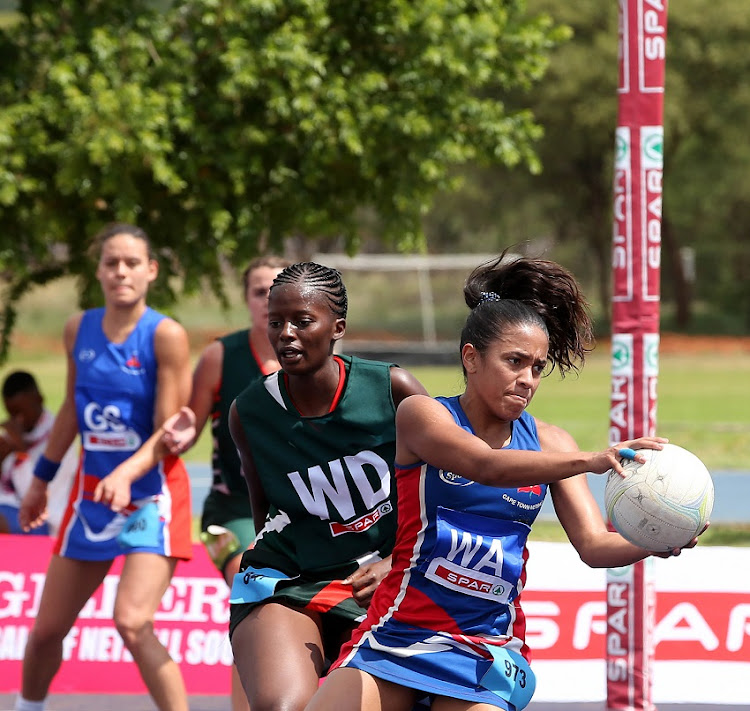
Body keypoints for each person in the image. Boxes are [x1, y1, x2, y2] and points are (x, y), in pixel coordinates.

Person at [304, 252, 705, 711]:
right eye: (514, 361)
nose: (528, 379)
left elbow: (595, 545)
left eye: (537, 367)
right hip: (399, 632)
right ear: (471, 358)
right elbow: (487, 466)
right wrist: (592, 459)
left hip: (485, 649)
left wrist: (657, 538)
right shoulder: (423, 415)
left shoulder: (552, 443)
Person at [226, 261, 428, 711]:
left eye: (302, 320)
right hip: (290, 577)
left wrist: (397, 560)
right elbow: (264, 513)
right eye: (276, 322)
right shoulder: (250, 411)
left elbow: (449, 489)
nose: (286, 334)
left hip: (384, 577)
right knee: (281, 706)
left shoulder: (392, 388)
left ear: (338, 326)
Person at [16, 223, 193, 711]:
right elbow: (71, 411)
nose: (121, 272)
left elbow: (168, 435)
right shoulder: (79, 328)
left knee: (132, 621)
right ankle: (29, 706)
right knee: (46, 631)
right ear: (98, 271)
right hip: (92, 496)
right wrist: (40, 482)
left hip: (151, 495)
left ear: (150, 271)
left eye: (132, 263)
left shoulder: (166, 336)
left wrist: (125, 473)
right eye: (111, 262)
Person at [161, 254, 291, 711]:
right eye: (260, 291)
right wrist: (177, 431)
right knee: (251, 587)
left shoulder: (318, 360)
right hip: (231, 512)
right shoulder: (222, 355)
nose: (270, 299)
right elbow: (190, 421)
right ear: (247, 300)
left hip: (299, 516)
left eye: (280, 288)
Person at [0, 371, 76, 536]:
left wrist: (21, 453)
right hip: (7, 507)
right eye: (12, 413)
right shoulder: (17, 433)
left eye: (21, 412)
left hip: (42, 519)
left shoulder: (60, 441)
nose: (17, 419)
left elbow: (33, 496)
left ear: (39, 399)